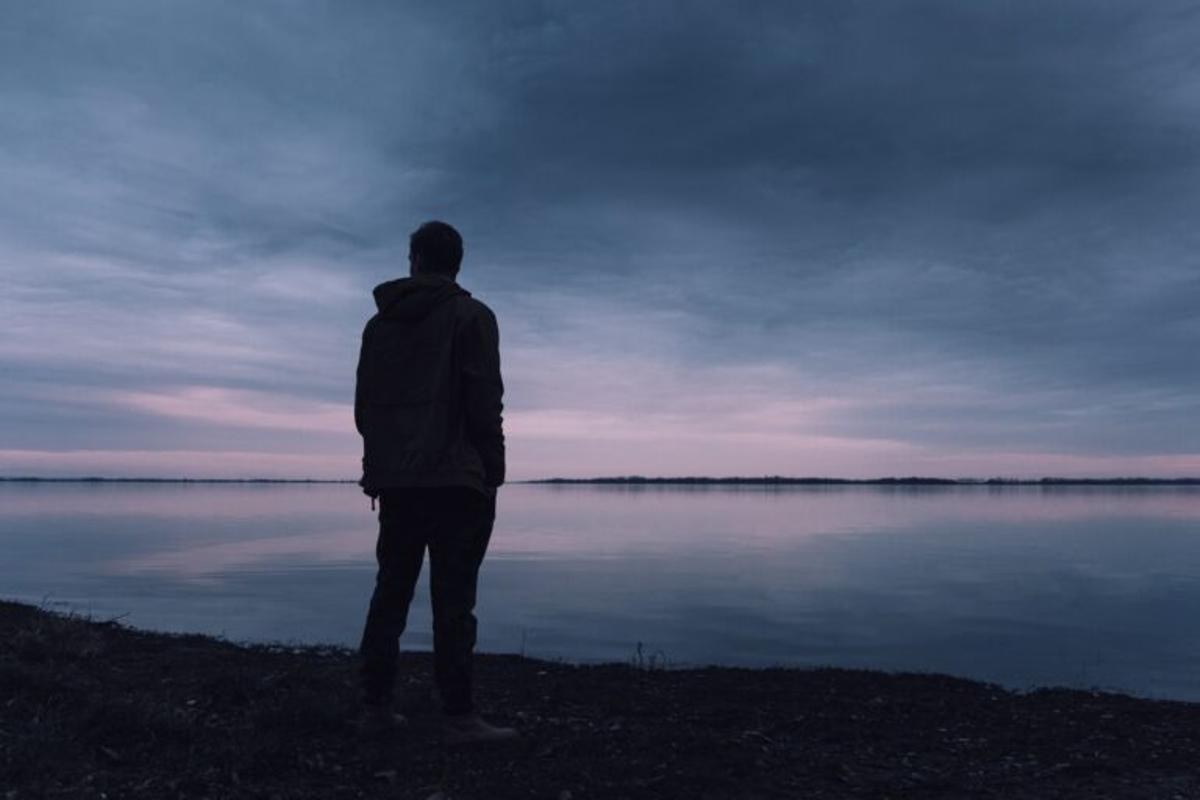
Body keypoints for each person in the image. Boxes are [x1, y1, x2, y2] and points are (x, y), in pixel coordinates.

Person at [354, 220, 516, 744]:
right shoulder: (473, 316)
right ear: (457, 262)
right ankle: (459, 716)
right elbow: (484, 401)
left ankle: (375, 708)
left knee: (390, 592)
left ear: (414, 260)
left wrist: (384, 463)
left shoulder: (379, 327)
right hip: (456, 482)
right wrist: (494, 468)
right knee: (454, 600)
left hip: (398, 481)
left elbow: (364, 409)